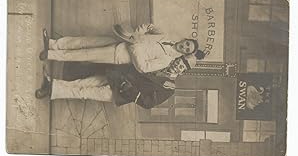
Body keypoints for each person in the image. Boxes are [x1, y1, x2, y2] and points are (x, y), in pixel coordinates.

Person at [35, 54, 198, 109]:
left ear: (183, 71)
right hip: (116, 76)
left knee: (83, 92)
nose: (178, 64)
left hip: (121, 92)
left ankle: (49, 91)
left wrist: (129, 89)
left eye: (182, 66)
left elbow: (148, 103)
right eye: (180, 60)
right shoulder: (160, 64)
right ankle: (52, 85)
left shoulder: (169, 87)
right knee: (82, 83)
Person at [39, 23, 200, 73]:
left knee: (85, 54)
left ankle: (51, 55)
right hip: (121, 40)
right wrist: (135, 35)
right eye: (187, 44)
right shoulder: (165, 35)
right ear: (184, 40)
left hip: (120, 54)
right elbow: (148, 26)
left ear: (183, 54)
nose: (184, 47)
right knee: (85, 41)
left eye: (187, 50)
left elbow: (143, 68)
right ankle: (54, 44)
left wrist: (134, 47)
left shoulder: (166, 60)